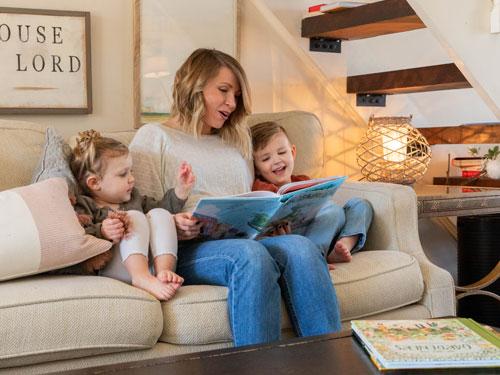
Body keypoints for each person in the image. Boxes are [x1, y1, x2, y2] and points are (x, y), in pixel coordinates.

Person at [129, 48, 342, 347]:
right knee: (250, 256)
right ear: (194, 85)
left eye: (237, 95)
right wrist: (173, 223)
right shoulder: (154, 138)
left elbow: (252, 197)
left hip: (245, 239)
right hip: (186, 250)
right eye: (224, 91)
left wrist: (273, 220)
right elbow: (137, 211)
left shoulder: (236, 138)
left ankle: (329, 363)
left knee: (301, 248)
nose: (232, 103)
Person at [70, 129, 195, 301]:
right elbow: (79, 240)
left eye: (131, 172)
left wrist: (181, 191)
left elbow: (164, 209)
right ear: (94, 183)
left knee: (160, 213)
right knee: (134, 217)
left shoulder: (134, 198)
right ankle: (141, 277)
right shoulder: (84, 207)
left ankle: (164, 272)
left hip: (150, 266)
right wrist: (103, 232)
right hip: (116, 270)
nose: (132, 179)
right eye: (123, 174)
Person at [251, 121, 374, 269]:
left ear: (293, 152)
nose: (277, 160)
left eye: (282, 152)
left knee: (361, 205)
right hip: (291, 239)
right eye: (266, 159)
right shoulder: (261, 189)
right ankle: (314, 259)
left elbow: (324, 210)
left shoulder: (304, 181)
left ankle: (343, 245)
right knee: (333, 212)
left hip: (323, 232)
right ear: (256, 168)